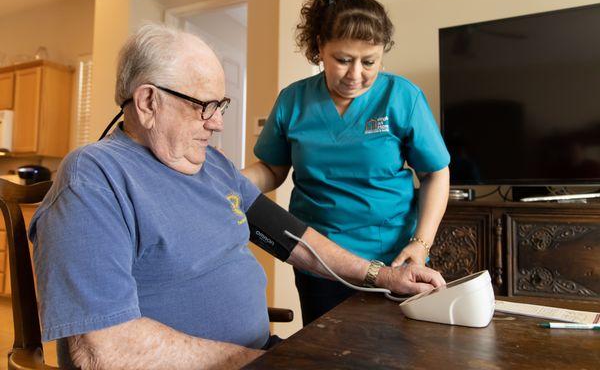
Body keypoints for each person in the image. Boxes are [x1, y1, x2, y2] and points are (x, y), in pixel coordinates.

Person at [29, 24, 445, 370]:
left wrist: (381, 275)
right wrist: (266, 361)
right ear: (148, 102)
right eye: (204, 106)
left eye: (221, 104)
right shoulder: (95, 178)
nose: (218, 123)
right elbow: (103, 349)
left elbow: (290, 237)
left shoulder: (211, 166)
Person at [242, 0, 451, 326]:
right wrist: (231, 182)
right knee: (328, 352)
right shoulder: (293, 101)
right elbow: (272, 169)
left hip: (395, 260)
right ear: (320, 48)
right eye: (343, 60)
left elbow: (435, 173)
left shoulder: (402, 97)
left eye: (369, 62)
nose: (356, 74)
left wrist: (421, 243)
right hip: (320, 261)